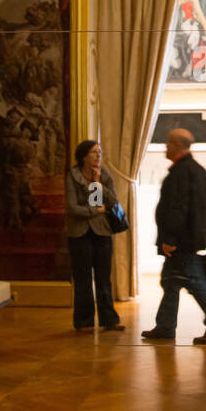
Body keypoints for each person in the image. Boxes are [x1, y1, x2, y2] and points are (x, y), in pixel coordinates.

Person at [142, 129, 206, 344]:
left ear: (177, 145)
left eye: (169, 143)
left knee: (195, 283)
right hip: (189, 239)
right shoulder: (197, 170)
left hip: (181, 241)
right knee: (170, 281)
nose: (165, 146)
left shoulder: (181, 172)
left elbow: (178, 208)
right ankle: (165, 326)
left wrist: (170, 239)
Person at [65, 140, 124, 333]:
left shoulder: (104, 174)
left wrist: (98, 183)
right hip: (79, 233)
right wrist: (94, 211)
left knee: (103, 278)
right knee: (82, 279)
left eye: (100, 152)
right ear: (83, 156)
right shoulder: (73, 176)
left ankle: (109, 320)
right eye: (93, 152)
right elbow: (73, 208)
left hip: (102, 232)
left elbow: (111, 201)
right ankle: (84, 321)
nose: (98, 155)